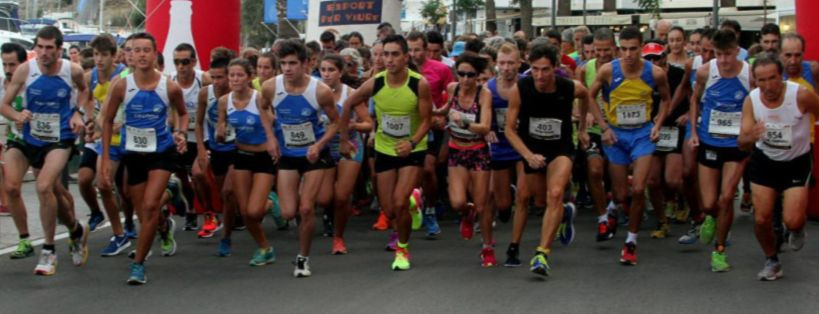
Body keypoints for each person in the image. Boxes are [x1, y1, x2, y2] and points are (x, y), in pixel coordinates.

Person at [506, 43, 604, 276]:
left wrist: (581, 128)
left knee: (556, 192)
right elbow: (509, 130)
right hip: (532, 149)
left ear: (555, 68)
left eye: (545, 70)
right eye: (535, 69)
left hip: (560, 147)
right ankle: (564, 214)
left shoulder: (569, 86)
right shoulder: (521, 88)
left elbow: (586, 95)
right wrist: (528, 155)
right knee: (539, 201)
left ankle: (541, 254)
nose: (540, 75)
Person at [0, 26, 90, 276]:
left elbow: (85, 92)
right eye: (39, 46)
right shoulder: (25, 70)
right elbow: (4, 105)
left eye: (49, 48)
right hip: (28, 137)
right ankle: (73, 229)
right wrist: (18, 114)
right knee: (11, 186)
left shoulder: (71, 70)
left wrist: (78, 113)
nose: (43, 52)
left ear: (59, 49)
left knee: (43, 186)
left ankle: (49, 250)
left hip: (59, 138)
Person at [99, 32, 188, 284]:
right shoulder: (121, 85)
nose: (140, 55)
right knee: (143, 210)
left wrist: (180, 132)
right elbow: (106, 120)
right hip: (133, 154)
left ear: (154, 53)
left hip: (161, 153)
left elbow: (182, 114)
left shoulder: (168, 86)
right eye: (135, 50)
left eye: (145, 50)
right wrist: (105, 158)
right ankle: (165, 219)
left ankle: (138, 264)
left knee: (149, 206)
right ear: (129, 55)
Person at [340, 34, 432, 271]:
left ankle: (402, 249)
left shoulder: (418, 83)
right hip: (384, 148)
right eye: (385, 54)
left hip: (412, 149)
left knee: (399, 202)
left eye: (394, 54)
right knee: (390, 209)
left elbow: (426, 121)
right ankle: (415, 201)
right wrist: (343, 139)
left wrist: (411, 143)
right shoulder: (376, 82)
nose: (388, 59)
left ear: (405, 57)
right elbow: (349, 103)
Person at [588, 26, 672, 265]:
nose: (628, 54)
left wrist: (658, 123)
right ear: (618, 49)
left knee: (638, 190)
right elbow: (589, 95)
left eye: (633, 49)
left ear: (641, 48)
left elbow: (666, 100)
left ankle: (631, 241)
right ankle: (614, 207)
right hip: (616, 135)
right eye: (623, 49)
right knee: (622, 194)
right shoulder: (607, 71)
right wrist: (603, 127)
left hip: (642, 134)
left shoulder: (655, 73)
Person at [739, 52, 819, 281]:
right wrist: (750, 136)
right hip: (765, 162)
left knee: (793, 219)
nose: (767, 85)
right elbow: (742, 143)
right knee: (762, 219)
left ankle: (796, 228)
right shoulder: (751, 100)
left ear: (781, 76)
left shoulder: (801, 95)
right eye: (761, 80)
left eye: (772, 78)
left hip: (797, 162)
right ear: (755, 81)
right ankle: (772, 260)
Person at [262, 39, 339, 277]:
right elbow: (262, 108)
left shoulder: (320, 91)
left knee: (306, 209)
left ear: (306, 63)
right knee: (288, 212)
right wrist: (270, 138)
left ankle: (303, 258)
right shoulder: (270, 87)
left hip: (313, 155)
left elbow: (336, 122)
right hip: (287, 154)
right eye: (283, 63)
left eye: (293, 63)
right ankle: (294, 198)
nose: (287, 68)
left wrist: (319, 144)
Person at [689, 29, 751, 272]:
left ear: (737, 51)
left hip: (736, 146)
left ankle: (720, 250)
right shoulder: (706, 72)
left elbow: (756, 102)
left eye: (728, 54)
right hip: (709, 142)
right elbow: (695, 100)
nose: (724, 60)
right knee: (709, 204)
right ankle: (711, 218)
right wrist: (694, 133)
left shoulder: (748, 74)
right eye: (719, 54)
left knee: (727, 198)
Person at [217, 57, 278, 265]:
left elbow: (271, 123)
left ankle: (271, 202)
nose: (235, 79)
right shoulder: (224, 101)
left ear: (249, 77)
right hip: (241, 155)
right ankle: (264, 248)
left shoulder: (259, 98)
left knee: (254, 210)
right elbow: (221, 127)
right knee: (244, 213)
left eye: (239, 75)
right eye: (232, 75)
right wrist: (220, 131)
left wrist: (271, 140)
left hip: (263, 157)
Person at [440, 52, 494, 264]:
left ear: (477, 75)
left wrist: (463, 122)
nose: (465, 79)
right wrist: (434, 114)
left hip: (478, 151)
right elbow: (446, 110)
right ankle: (467, 213)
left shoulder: (484, 94)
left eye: (470, 75)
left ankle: (487, 246)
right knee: (457, 202)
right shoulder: (452, 89)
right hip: (457, 150)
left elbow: (485, 127)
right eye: (461, 74)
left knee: (483, 206)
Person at [317, 54, 372, 254]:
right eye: (323, 70)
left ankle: (338, 237)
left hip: (350, 145)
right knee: (324, 198)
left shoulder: (351, 94)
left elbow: (368, 124)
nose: (326, 74)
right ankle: (328, 214)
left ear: (340, 72)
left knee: (342, 196)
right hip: (325, 146)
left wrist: (353, 124)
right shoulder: (314, 92)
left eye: (331, 70)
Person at [81, 34, 130, 256]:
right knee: (102, 184)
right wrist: (91, 121)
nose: (99, 59)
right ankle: (119, 235)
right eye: (96, 54)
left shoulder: (125, 75)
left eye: (103, 55)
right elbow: (89, 99)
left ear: (114, 56)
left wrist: (125, 122)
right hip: (108, 140)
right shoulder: (90, 76)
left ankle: (162, 225)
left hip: (131, 140)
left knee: (132, 194)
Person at [406, 31, 455, 238]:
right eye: (409, 50)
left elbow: (453, 94)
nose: (413, 54)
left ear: (426, 50)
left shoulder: (441, 69)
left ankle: (431, 210)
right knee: (408, 174)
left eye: (417, 49)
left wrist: (442, 114)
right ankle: (408, 210)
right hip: (407, 127)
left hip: (432, 128)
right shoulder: (401, 70)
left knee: (428, 170)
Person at [642, 41, 688, 239]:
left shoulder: (677, 74)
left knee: (672, 179)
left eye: (657, 57)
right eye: (649, 58)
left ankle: (684, 200)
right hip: (650, 131)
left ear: (664, 56)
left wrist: (687, 114)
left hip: (673, 129)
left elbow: (694, 97)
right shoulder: (641, 76)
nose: (654, 61)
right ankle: (662, 221)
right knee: (652, 180)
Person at [577, 28, 619, 243]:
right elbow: (583, 99)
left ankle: (614, 205)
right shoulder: (586, 69)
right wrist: (582, 127)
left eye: (606, 50)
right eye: (597, 50)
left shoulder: (623, 66)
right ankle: (602, 218)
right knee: (594, 170)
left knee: (618, 180)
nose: (602, 54)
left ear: (614, 47)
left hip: (619, 131)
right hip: (595, 131)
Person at [195, 48, 238, 251]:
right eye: (212, 77)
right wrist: (202, 148)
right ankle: (226, 218)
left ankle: (226, 237)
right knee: (225, 194)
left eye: (220, 77)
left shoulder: (239, 94)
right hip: (217, 147)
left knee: (229, 191)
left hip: (239, 149)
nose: (216, 82)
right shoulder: (206, 93)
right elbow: (198, 123)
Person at [171, 43, 213, 232]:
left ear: (194, 62)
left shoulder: (204, 80)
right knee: (182, 177)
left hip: (201, 137)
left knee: (198, 174)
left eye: (185, 61)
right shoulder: (170, 82)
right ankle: (190, 209)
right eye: (177, 62)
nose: (181, 66)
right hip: (180, 137)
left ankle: (209, 212)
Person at [1, 42, 36, 259]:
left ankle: (72, 227)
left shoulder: (35, 83)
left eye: (12, 64)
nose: (8, 69)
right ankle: (25, 239)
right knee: (12, 187)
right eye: (4, 64)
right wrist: (17, 117)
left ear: (23, 64)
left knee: (50, 191)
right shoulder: (3, 85)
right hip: (17, 140)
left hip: (43, 142)